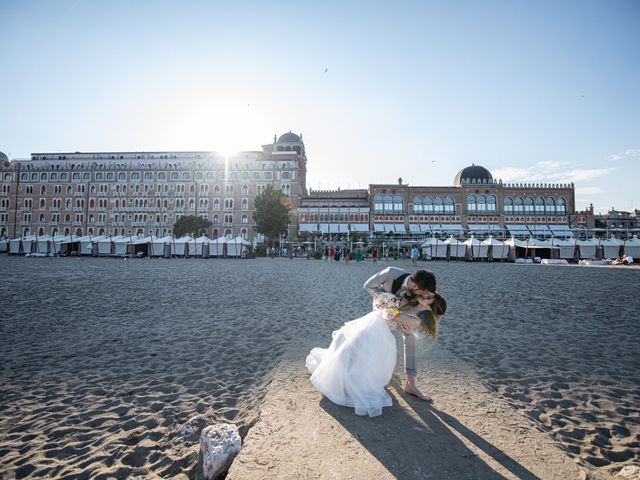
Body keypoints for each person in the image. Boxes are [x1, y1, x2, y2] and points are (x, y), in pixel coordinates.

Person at [306, 291, 447, 417]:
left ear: (429, 307)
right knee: (349, 346)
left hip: (378, 329)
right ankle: (340, 372)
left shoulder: (416, 319)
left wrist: (385, 304)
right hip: (373, 322)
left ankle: (344, 378)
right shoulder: (412, 303)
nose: (425, 296)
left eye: (429, 299)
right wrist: (384, 302)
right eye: (427, 295)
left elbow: (393, 315)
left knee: (359, 353)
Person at [363, 267, 437, 401]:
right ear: (414, 285)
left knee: (411, 337)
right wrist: (387, 299)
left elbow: (418, 308)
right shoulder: (391, 272)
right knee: (377, 338)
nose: (422, 295)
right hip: (381, 309)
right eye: (422, 292)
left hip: (402, 313)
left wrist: (408, 325)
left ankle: (411, 384)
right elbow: (368, 285)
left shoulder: (419, 294)